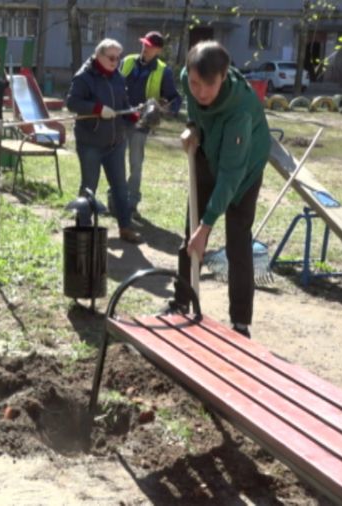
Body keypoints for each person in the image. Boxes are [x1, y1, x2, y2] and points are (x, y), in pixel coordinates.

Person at [171, 41, 271, 338]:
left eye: (208, 85)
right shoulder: (188, 81)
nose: (200, 92)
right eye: (194, 83)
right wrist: (192, 125)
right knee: (191, 234)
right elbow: (193, 103)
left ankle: (240, 323)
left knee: (237, 243)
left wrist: (207, 227)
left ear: (224, 76)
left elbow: (231, 175)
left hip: (243, 169)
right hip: (208, 152)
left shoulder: (239, 110)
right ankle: (181, 303)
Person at [66, 38, 142, 244]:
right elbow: (72, 102)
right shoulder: (84, 77)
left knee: (120, 187)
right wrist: (97, 109)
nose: (115, 61)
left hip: (115, 142)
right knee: (89, 186)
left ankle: (125, 227)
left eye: (118, 58)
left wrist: (133, 114)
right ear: (99, 55)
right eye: (111, 57)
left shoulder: (117, 76)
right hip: (90, 142)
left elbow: (123, 103)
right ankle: (83, 229)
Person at [119, 31, 182, 220]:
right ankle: (116, 199)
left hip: (140, 124)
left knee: (135, 164)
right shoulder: (128, 61)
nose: (144, 48)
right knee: (116, 163)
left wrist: (167, 109)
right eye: (143, 44)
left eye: (149, 46)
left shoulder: (164, 71)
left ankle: (131, 203)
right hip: (120, 120)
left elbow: (174, 98)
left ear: (158, 50)